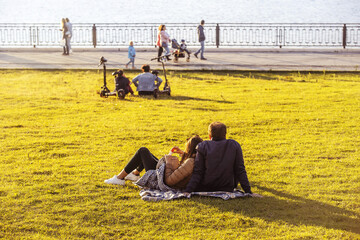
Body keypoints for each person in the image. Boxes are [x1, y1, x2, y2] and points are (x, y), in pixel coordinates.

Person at [184, 122, 262, 197]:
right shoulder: (234, 145)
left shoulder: (202, 146)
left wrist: (188, 191)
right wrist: (248, 191)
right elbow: (240, 170)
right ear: (225, 134)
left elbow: (198, 171)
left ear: (209, 136)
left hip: (206, 187)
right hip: (227, 187)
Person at [104, 135, 203, 188]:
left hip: (161, 180)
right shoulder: (197, 158)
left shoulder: (190, 162)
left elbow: (169, 181)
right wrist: (183, 154)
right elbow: (183, 170)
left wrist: (168, 162)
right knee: (147, 155)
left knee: (143, 151)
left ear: (190, 149)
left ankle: (119, 178)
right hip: (166, 174)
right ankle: (135, 173)